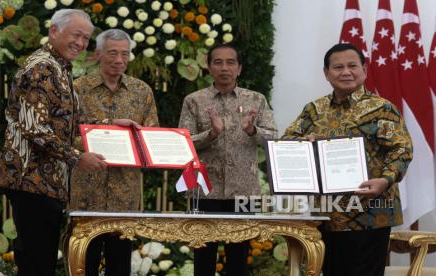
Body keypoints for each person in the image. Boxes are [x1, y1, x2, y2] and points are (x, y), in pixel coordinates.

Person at [0, 9, 108, 276]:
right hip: (31, 179)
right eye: (76, 35)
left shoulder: (59, 67)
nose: (81, 43)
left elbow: (67, 123)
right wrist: (78, 158)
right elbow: (35, 128)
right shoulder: (42, 67)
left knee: (40, 260)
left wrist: (109, 127)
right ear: (54, 31)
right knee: (36, 262)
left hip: (47, 183)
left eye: (86, 38)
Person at [282, 43, 413, 276]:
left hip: (371, 212)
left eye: (352, 66)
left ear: (364, 69)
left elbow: (402, 150)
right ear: (326, 73)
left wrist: (384, 180)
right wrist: (303, 144)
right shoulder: (314, 110)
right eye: (338, 67)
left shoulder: (381, 109)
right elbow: (288, 143)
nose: (346, 72)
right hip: (326, 214)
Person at [178, 44, 278, 276]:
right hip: (204, 190)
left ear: (239, 68)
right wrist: (211, 134)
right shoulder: (194, 100)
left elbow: (273, 138)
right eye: (218, 62)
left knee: (238, 262)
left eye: (230, 62)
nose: (225, 68)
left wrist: (253, 130)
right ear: (209, 67)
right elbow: (183, 143)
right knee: (203, 262)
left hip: (243, 192)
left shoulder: (256, 99)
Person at [69, 29, 159, 276]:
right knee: (83, 264)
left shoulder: (142, 91)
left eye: (124, 54)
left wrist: (141, 141)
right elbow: (64, 136)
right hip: (86, 191)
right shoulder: (77, 88)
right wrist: (106, 130)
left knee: (120, 265)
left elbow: (152, 138)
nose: (119, 60)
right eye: (112, 53)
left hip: (125, 194)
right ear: (98, 54)